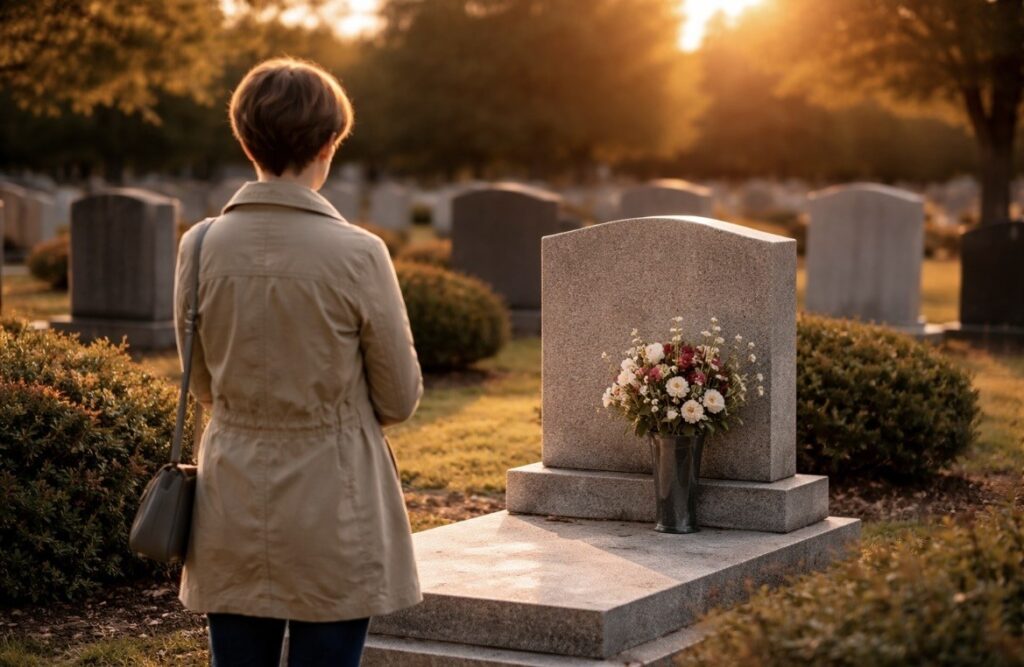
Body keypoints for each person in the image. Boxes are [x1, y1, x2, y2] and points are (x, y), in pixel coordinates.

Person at [173, 57, 423, 667]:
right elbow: (399, 397)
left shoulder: (199, 245)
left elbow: (201, 381)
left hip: (230, 497)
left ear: (244, 138)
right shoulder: (359, 253)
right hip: (335, 503)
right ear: (330, 143)